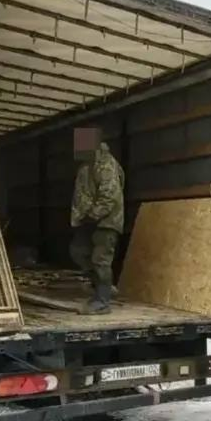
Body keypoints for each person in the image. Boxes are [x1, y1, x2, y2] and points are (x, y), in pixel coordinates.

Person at [69, 127, 125, 313]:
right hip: (90, 220)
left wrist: (94, 214)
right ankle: (104, 288)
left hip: (105, 221)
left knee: (101, 260)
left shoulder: (105, 164)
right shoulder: (87, 165)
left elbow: (110, 195)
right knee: (78, 252)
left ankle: (102, 302)